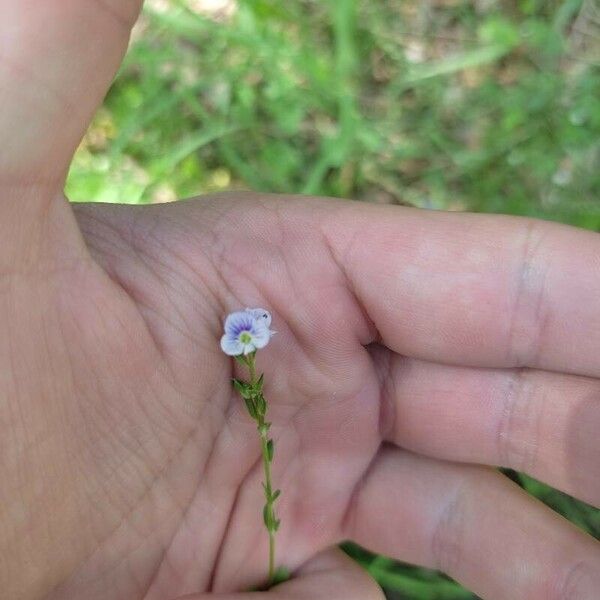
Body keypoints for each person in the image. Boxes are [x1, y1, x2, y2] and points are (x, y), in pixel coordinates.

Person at [1, 2, 598, 599]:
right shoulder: (241, 350)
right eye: (242, 339)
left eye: (246, 338)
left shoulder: (250, 350)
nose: (243, 342)